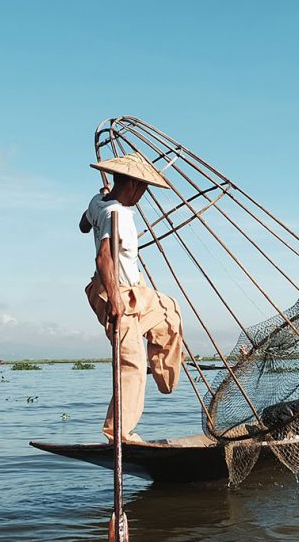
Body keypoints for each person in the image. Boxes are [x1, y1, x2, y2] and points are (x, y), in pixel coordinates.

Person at [80, 152, 185, 442]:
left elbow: (83, 225)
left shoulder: (98, 202)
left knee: (168, 310)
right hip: (115, 290)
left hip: (132, 289)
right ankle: (119, 433)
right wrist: (115, 300)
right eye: (143, 189)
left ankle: (164, 375)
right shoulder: (119, 214)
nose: (142, 195)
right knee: (131, 365)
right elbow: (103, 258)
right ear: (134, 186)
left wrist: (100, 201)